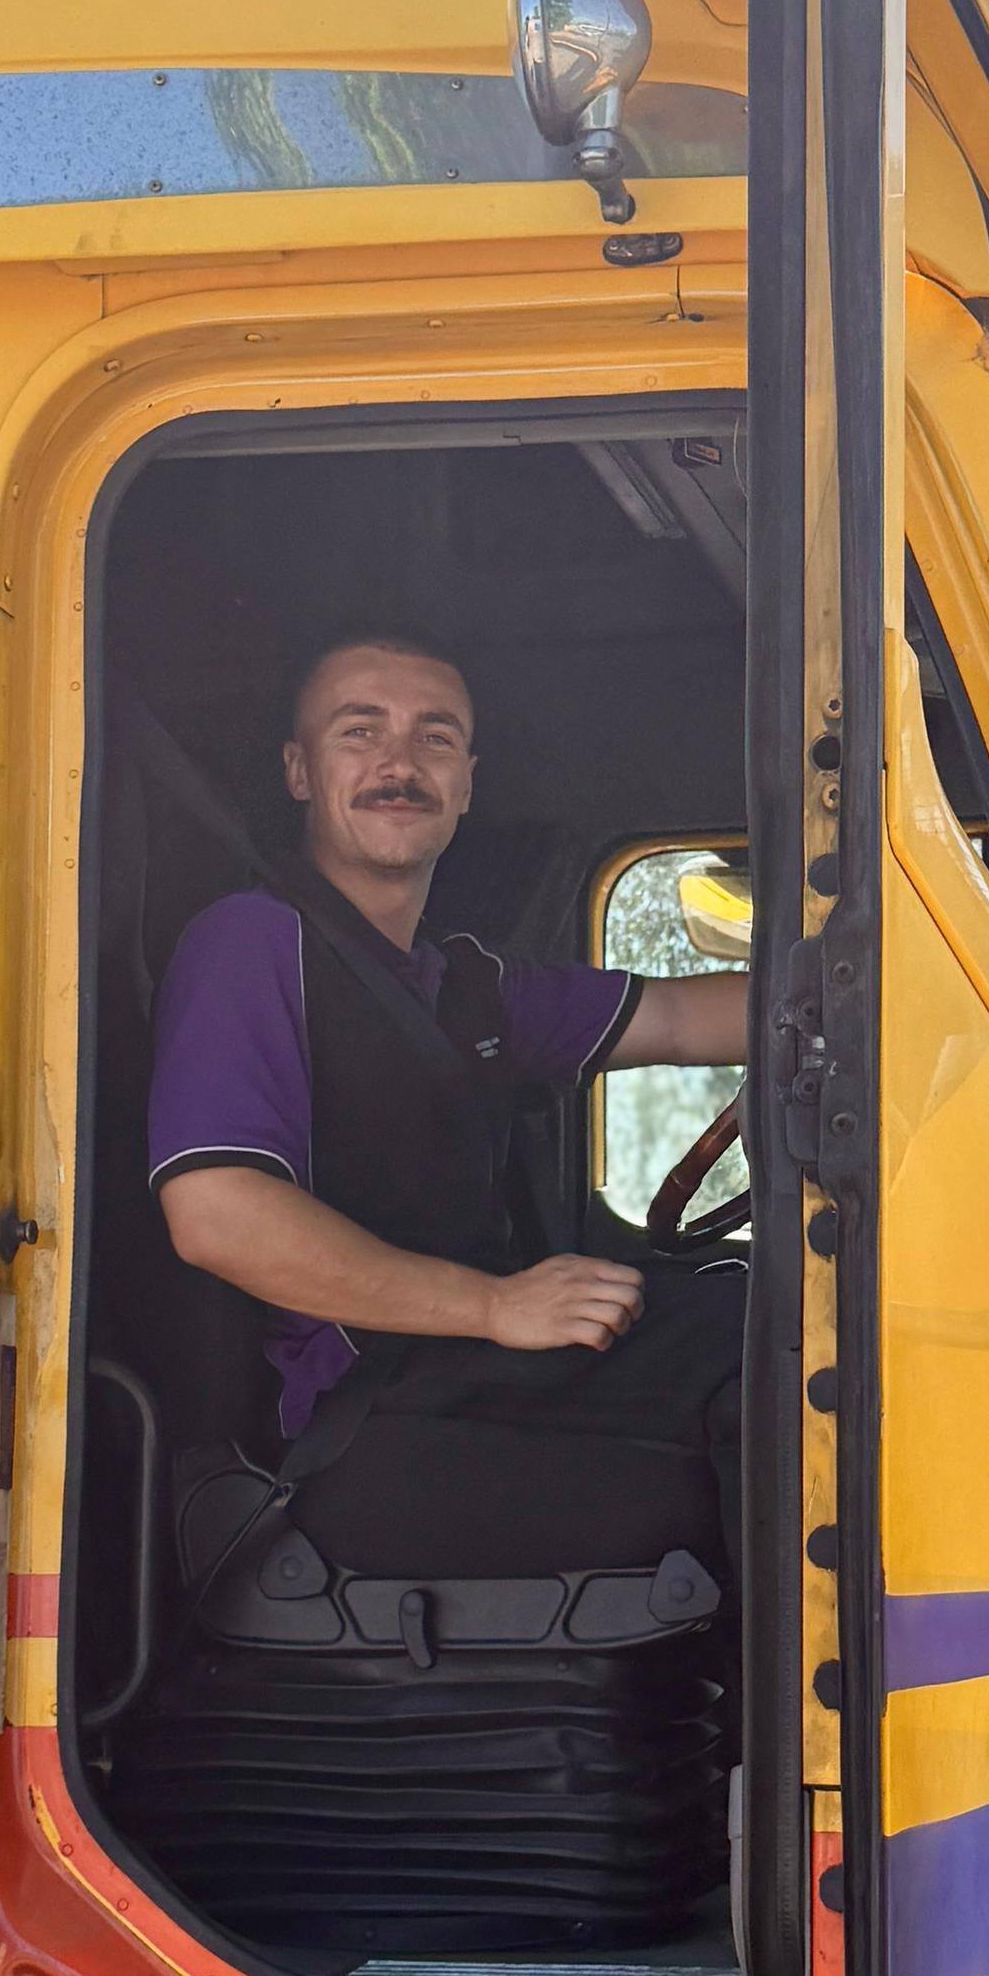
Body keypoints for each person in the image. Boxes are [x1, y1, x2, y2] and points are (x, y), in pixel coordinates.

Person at [148, 637, 750, 1584]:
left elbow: (676, 1018)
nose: (398, 764)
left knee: (767, 1311)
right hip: (357, 1427)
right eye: (360, 733)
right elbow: (217, 1213)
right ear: (300, 772)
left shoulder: (461, 983)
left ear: (467, 784)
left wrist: (852, 1013)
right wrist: (497, 1305)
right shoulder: (251, 942)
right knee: (774, 1382)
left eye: (435, 738)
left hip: (462, 1377)